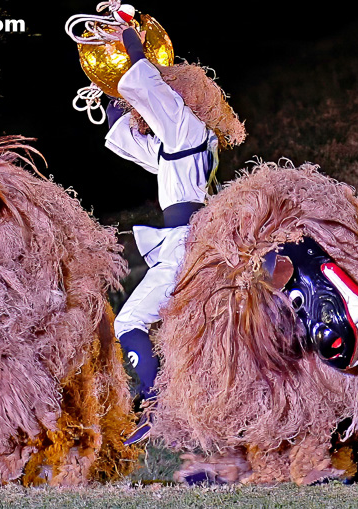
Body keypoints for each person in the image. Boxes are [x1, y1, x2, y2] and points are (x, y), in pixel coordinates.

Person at [104, 27, 245, 444]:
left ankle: (155, 402)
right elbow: (134, 145)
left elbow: (150, 86)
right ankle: (176, 401)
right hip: (190, 242)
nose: (156, 109)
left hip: (186, 244)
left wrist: (131, 43)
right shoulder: (184, 143)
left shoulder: (186, 128)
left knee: (129, 321)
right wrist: (115, 105)